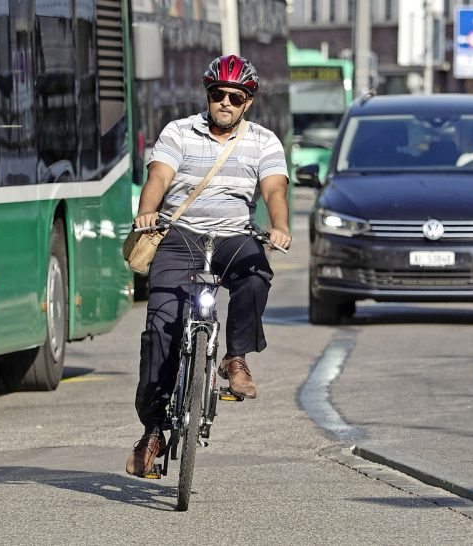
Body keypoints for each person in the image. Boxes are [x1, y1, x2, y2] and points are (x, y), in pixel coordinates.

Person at [126, 54, 292, 477]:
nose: (225, 103)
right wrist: (148, 212)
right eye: (218, 94)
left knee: (256, 276)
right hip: (181, 234)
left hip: (235, 236)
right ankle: (152, 430)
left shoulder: (264, 141)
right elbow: (159, 179)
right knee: (161, 329)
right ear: (208, 95)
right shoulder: (179, 132)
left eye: (235, 97)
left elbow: (274, 189)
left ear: (247, 102)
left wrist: (280, 227)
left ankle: (234, 358)